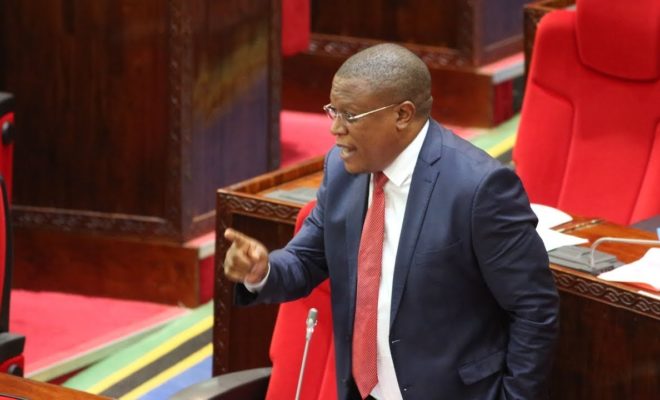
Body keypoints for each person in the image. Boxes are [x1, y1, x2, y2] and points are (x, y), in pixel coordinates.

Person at [223, 43, 559, 400]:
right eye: (333, 111)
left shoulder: (478, 188)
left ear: (402, 115)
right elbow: (307, 259)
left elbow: (534, 308)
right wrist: (262, 271)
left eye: (350, 115)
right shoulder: (342, 169)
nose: (335, 129)